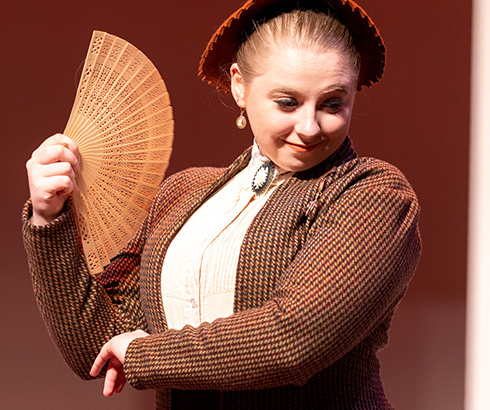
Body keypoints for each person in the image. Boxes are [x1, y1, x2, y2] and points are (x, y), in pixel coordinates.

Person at [22, 0, 420, 409]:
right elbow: (100, 346)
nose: (310, 126)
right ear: (239, 85)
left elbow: (295, 338)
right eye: (288, 102)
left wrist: (147, 356)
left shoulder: (372, 193)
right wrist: (49, 219)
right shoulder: (183, 195)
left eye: (333, 104)